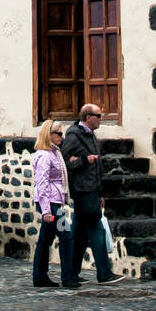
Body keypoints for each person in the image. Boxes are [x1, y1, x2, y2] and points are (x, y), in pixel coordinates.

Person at [60, 104, 124, 286]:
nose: (101, 119)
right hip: (83, 191)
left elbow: (96, 167)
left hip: (91, 191)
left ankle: (71, 272)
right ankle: (104, 273)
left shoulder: (90, 135)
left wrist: (100, 192)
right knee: (97, 229)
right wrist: (82, 161)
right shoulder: (74, 135)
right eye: (98, 116)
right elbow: (64, 162)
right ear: (88, 117)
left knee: (80, 234)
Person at [31, 120, 77, 289]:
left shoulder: (54, 152)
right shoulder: (44, 155)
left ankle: (40, 276)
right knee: (66, 235)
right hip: (50, 204)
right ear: (48, 134)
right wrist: (46, 210)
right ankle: (68, 277)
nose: (61, 137)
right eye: (58, 133)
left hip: (54, 201)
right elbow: (42, 183)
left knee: (45, 239)